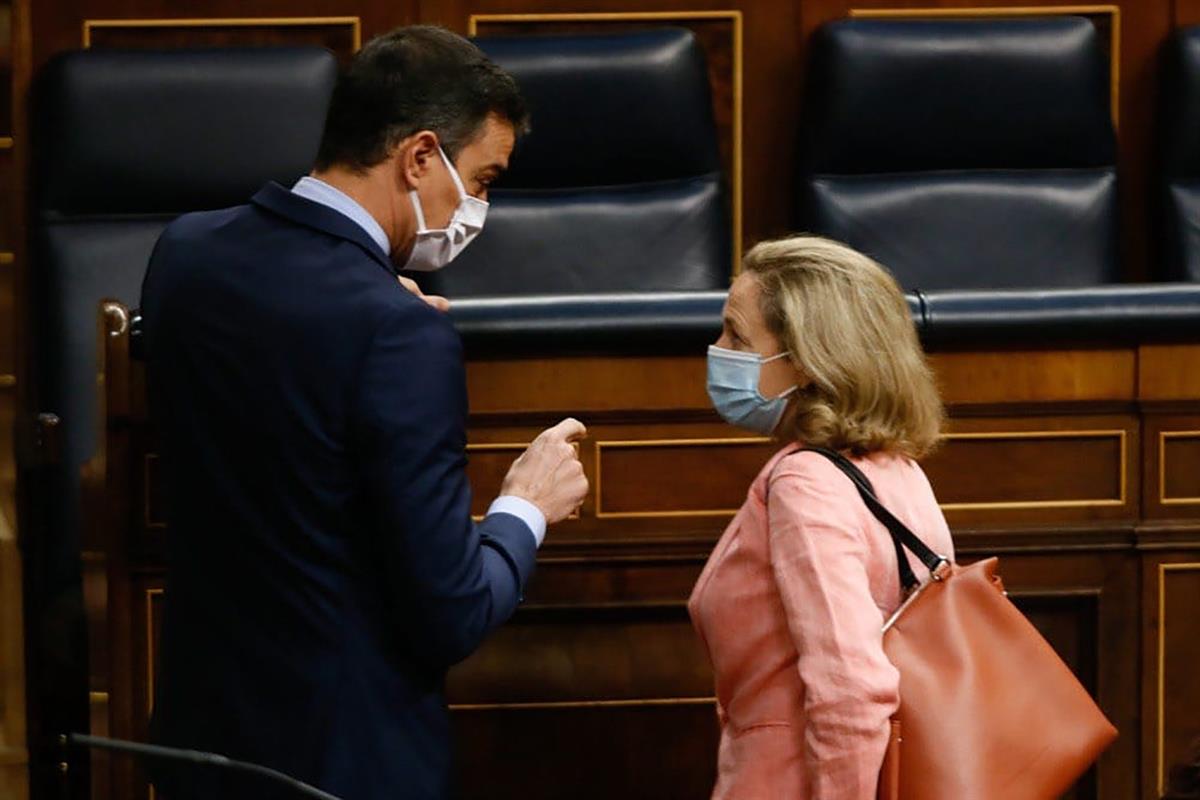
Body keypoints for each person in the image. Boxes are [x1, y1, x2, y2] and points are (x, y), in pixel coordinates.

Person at [139, 26, 588, 800]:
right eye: (481, 180)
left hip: (200, 744)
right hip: (342, 763)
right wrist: (525, 508)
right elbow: (450, 614)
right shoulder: (398, 333)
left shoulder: (186, 255)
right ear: (419, 157)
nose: (479, 206)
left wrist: (379, 302)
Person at [688, 235, 952, 799]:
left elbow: (851, 689)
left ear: (806, 362)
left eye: (737, 333)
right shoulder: (900, 469)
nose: (719, 348)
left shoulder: (806, 483)